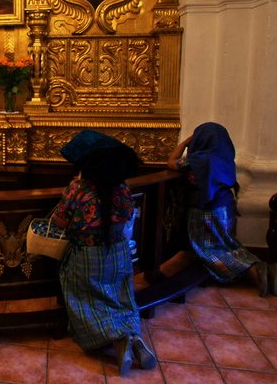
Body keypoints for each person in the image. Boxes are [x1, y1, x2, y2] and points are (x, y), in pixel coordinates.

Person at [52, 132, 156, 376]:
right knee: (120, 297)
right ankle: (133, 336)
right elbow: (128, 215)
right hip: (118, 253)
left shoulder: (78, 189)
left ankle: (115, 338)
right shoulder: (122, 189)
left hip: (86, 257)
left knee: (86, 301)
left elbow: (60, 221)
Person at [166, 122, 269, 296]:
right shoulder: (224, 156)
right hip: (225, 207)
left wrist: (184, 142)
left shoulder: (197, 159)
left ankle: (251, 270)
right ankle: (259, 266)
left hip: (204, 210)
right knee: (226, 243)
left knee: (208, 249)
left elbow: (171, 162)